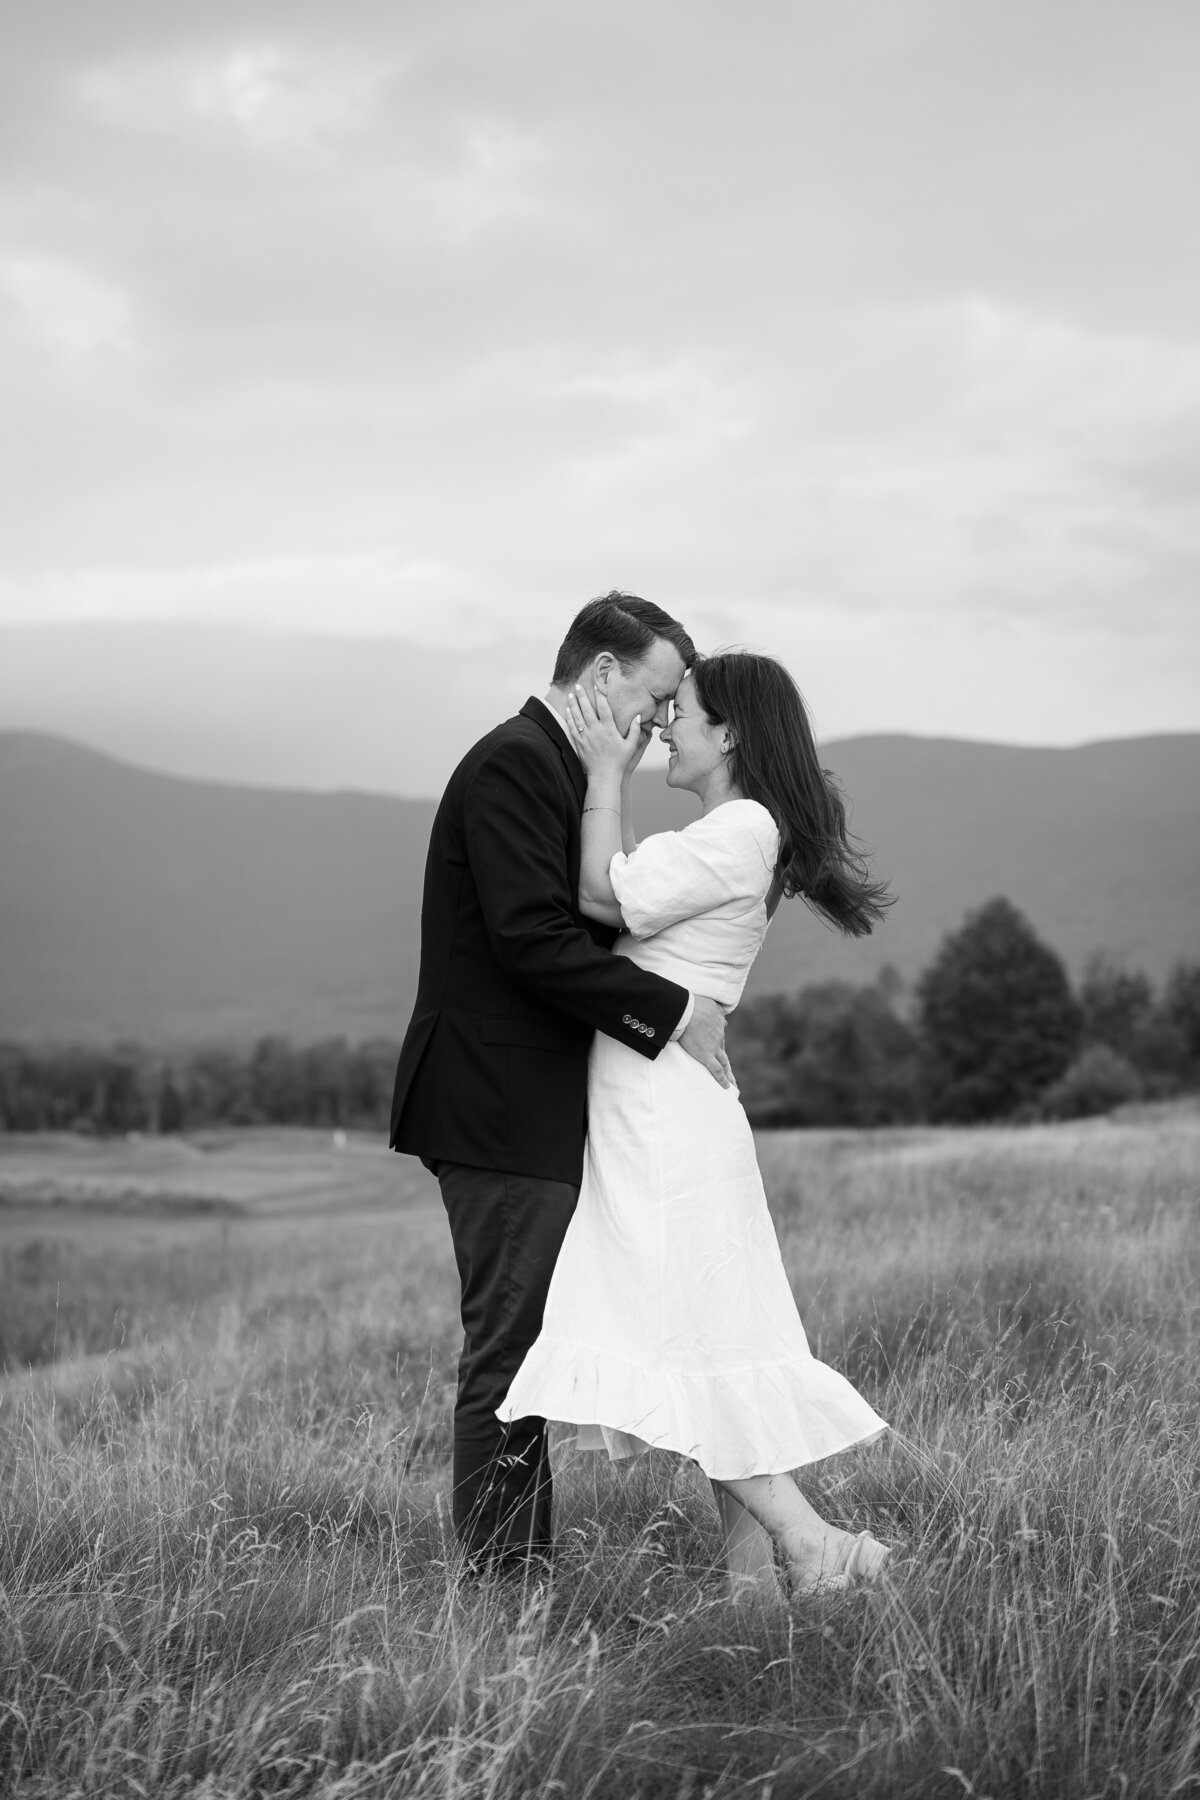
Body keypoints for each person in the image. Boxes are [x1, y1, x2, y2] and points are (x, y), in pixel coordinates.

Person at [498, 650, 895, 1597]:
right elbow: (626, 882)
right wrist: (615, 790)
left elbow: (601, 896)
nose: (664, 724)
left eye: (683, 711)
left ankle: (814, 1544)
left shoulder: (742, 827)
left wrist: (602, 773)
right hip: (668, 1113)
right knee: (713, 1344)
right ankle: (752, 1597)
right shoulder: (733, 830)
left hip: (664, 1124)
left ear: (730, 735)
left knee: (686, 1343)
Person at [390, 592, 737, 1573]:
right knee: (507, 1352)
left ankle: (524, 1582)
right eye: (657, 696)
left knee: (529, 1350)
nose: (662, 720)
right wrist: (672, 1014)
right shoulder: (512, 763)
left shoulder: (566, 772)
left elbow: (593, 909)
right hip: (495, 1102)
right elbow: (532, 942)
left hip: (530, 1104)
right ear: (601, 677)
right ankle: (505, 1604)